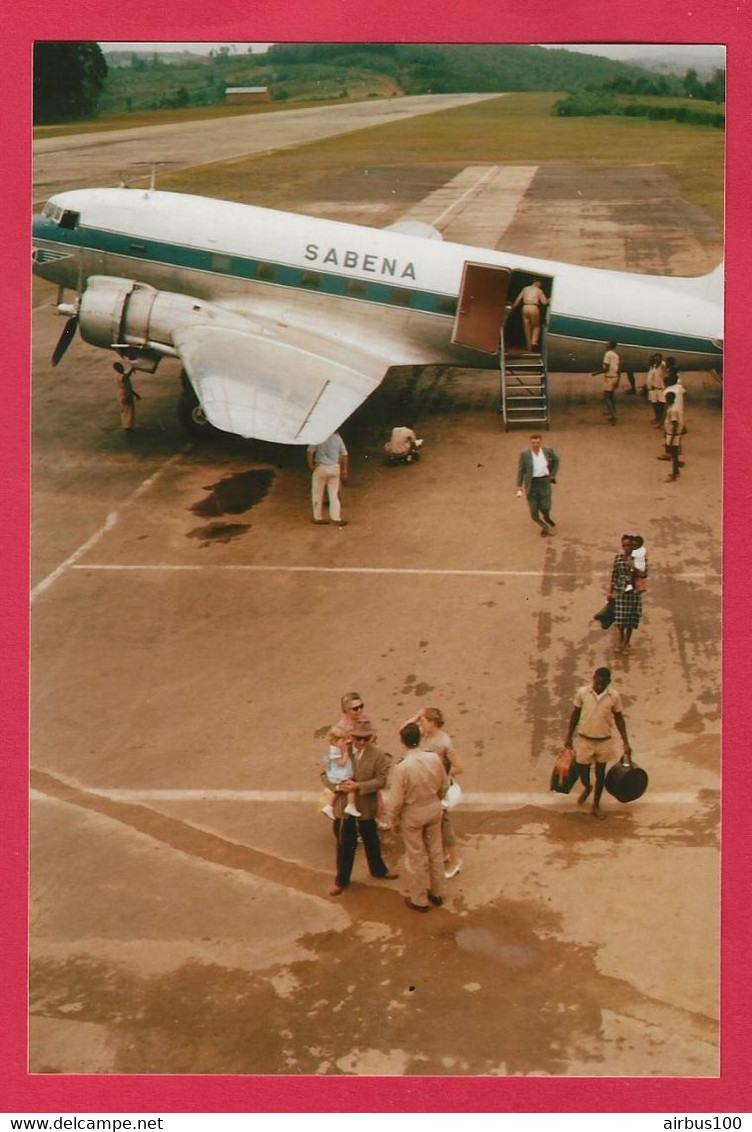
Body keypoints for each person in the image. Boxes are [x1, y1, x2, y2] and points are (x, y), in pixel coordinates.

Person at [324, 718, 398, 897]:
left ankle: (378, 869)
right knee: (345, 845)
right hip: (344, 806)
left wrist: (358, 786)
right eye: (358, 738)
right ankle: (341, 880)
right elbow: (324, 774)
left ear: (371, 737)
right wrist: (338, 787)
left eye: (365, 738)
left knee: (371, 839)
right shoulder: (340, 750)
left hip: (365, 805)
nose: (362, 742)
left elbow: (381, 780)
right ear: (352, 736)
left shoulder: (379, 755)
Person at [383, 722, 448, 912]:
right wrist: (438, 800)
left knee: (416, 856)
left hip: (413, 813)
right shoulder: (434, 758)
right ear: (419, 738)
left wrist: (392, 820)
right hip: (433, 806)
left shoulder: (402, 768)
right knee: (435, 851)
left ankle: (419, 899)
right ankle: (437, 892)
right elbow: (444, 784)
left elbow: (395, 801)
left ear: (403, 742)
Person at [564, 667, 632, 820]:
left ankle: (596, 805)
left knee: (600, 774)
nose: (600, 686)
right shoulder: (582, 693)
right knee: (582, 770)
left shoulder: (614, 696)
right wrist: (568, 737)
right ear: (593, 678)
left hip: (604, 741)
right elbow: (575, 715)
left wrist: (626, 742)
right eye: (598, 683)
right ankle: (587, 787)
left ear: (608, 683)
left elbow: (619, 719)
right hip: (584, 740)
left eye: (603, 684)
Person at [404, 707, 464, 879]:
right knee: (438, 824)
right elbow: (404, 731)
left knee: (444, 825)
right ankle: (446, 853)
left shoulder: (444, 742)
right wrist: (415, 716)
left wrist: (440, 776)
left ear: (432, 722)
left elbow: (459, 767)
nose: (420, 723)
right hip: (430, 788)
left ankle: (456, 860)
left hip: (439, 789)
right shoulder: (426, 736)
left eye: (423, 720)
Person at [608, 533, 648, 652]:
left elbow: (644, 574)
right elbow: (614, 575)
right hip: (621, 591)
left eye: (628, 545)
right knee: (620, 618)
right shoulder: (618, 558)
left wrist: (634, 567)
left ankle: (627, 642)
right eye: (624, 545)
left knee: (630, 619)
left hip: (633, 593)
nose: (626, 547)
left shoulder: (640, 559)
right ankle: (621, 639)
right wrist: (610, 591)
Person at [516, 433, 560, 537]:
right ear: (530, 443)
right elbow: (521, 470)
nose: (535, 444)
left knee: (546, 505)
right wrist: (519, 485)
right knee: (533, 510)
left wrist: (552, 474)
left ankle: (546, 516)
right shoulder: (525, 454)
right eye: (533, 443)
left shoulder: (547, 451)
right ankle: (544, 527)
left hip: (544, 482)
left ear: (541, 443)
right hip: (532, 483)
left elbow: (556, 460)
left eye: (537, 442)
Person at [307, 432, 348, 527]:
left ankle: (318, 517)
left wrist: (311, 465)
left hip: (321, 467)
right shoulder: (338, 438)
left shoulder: (318, 436)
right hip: (334, 468)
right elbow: (344, 454)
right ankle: (336, 518)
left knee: (317, 493)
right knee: (334, 494)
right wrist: (344, 469)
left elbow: (310, 451)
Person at [320, 726, 360, 820]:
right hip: (339, 774)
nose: (345, 742)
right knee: (350, 788)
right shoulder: (334, 751)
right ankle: (351, 805)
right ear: (335, 741)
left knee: (337, 791)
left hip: (338, 773)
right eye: (342, 740)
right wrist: (345, 754)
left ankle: (329, 807)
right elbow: (341, 763)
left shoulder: (336, 747)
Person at [510, 279, 549, 352]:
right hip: (534, 307)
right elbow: (544, 302)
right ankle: (534, 342)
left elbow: (518, 299)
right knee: (536, 326)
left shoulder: (525, 289)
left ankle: (529, 347)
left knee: (527, 327)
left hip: (525, 307)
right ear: (537, 282)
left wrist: (513, 308)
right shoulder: (538, 290)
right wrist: (549, 300)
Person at [592, 342, 620, 424]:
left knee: (607, 397)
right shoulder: (615, 355)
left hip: (609, 378)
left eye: (607, 344)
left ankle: (613, 417)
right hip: (614, 377)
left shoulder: (607, 354)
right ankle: (613, 413)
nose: (606, 345)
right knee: (612, 397)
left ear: (610, 346)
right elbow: (619, 368)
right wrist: (618, 379)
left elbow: (606, 368)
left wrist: (596, 373)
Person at [113, 361, 140, 432]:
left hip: (122, 393)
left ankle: (126, 425)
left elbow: (127, 376)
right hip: (125, 394)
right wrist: (132, 368)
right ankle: (128, 426)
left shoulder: (118, 375)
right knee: (128, 410)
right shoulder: (122, 376)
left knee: (124, 410)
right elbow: (126, 377)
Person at [663, 391, 683, 482]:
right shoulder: (674, 407)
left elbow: (674, 424)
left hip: (673, 435)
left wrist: (672, 439)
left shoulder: (673, 410)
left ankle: (674, 475)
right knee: (674, 455)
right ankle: (676, 471)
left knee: (674, 455)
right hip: (672, 434)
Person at [645, 353, 667, 426]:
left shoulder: (663, 365)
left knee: (661, 405)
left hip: (661, 389)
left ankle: (662, 420)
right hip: (653, 389)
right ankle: (657, 417)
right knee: (654, 404)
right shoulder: (653, 367)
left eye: (658, 359)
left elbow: (665, 373)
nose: (656, 361)